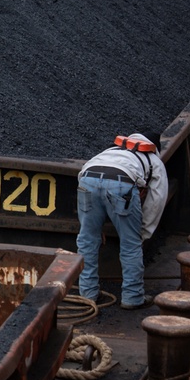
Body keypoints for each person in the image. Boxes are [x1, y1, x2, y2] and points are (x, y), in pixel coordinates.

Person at [76, 132, 168, 309]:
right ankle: (132, 297)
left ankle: (87, 294)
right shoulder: (154, 161)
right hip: (121, 184)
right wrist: (142, 232)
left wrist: (92, 224)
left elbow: (84, 174)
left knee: (87, 240)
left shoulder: (111, 151)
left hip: (88, 179)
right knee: (130, 244)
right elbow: (156, 201)